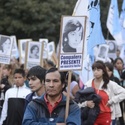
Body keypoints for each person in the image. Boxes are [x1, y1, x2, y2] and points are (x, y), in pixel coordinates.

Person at [78, 61, 125, 125]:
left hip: (105, 116)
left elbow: (123, 93)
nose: (96, 72)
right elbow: (80, 101)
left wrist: (112, 100)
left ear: (103, 71)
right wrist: (86, 103)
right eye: (94, 70)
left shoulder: (110, 84)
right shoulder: (88, 84)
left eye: (98, 70)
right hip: (91, 117)